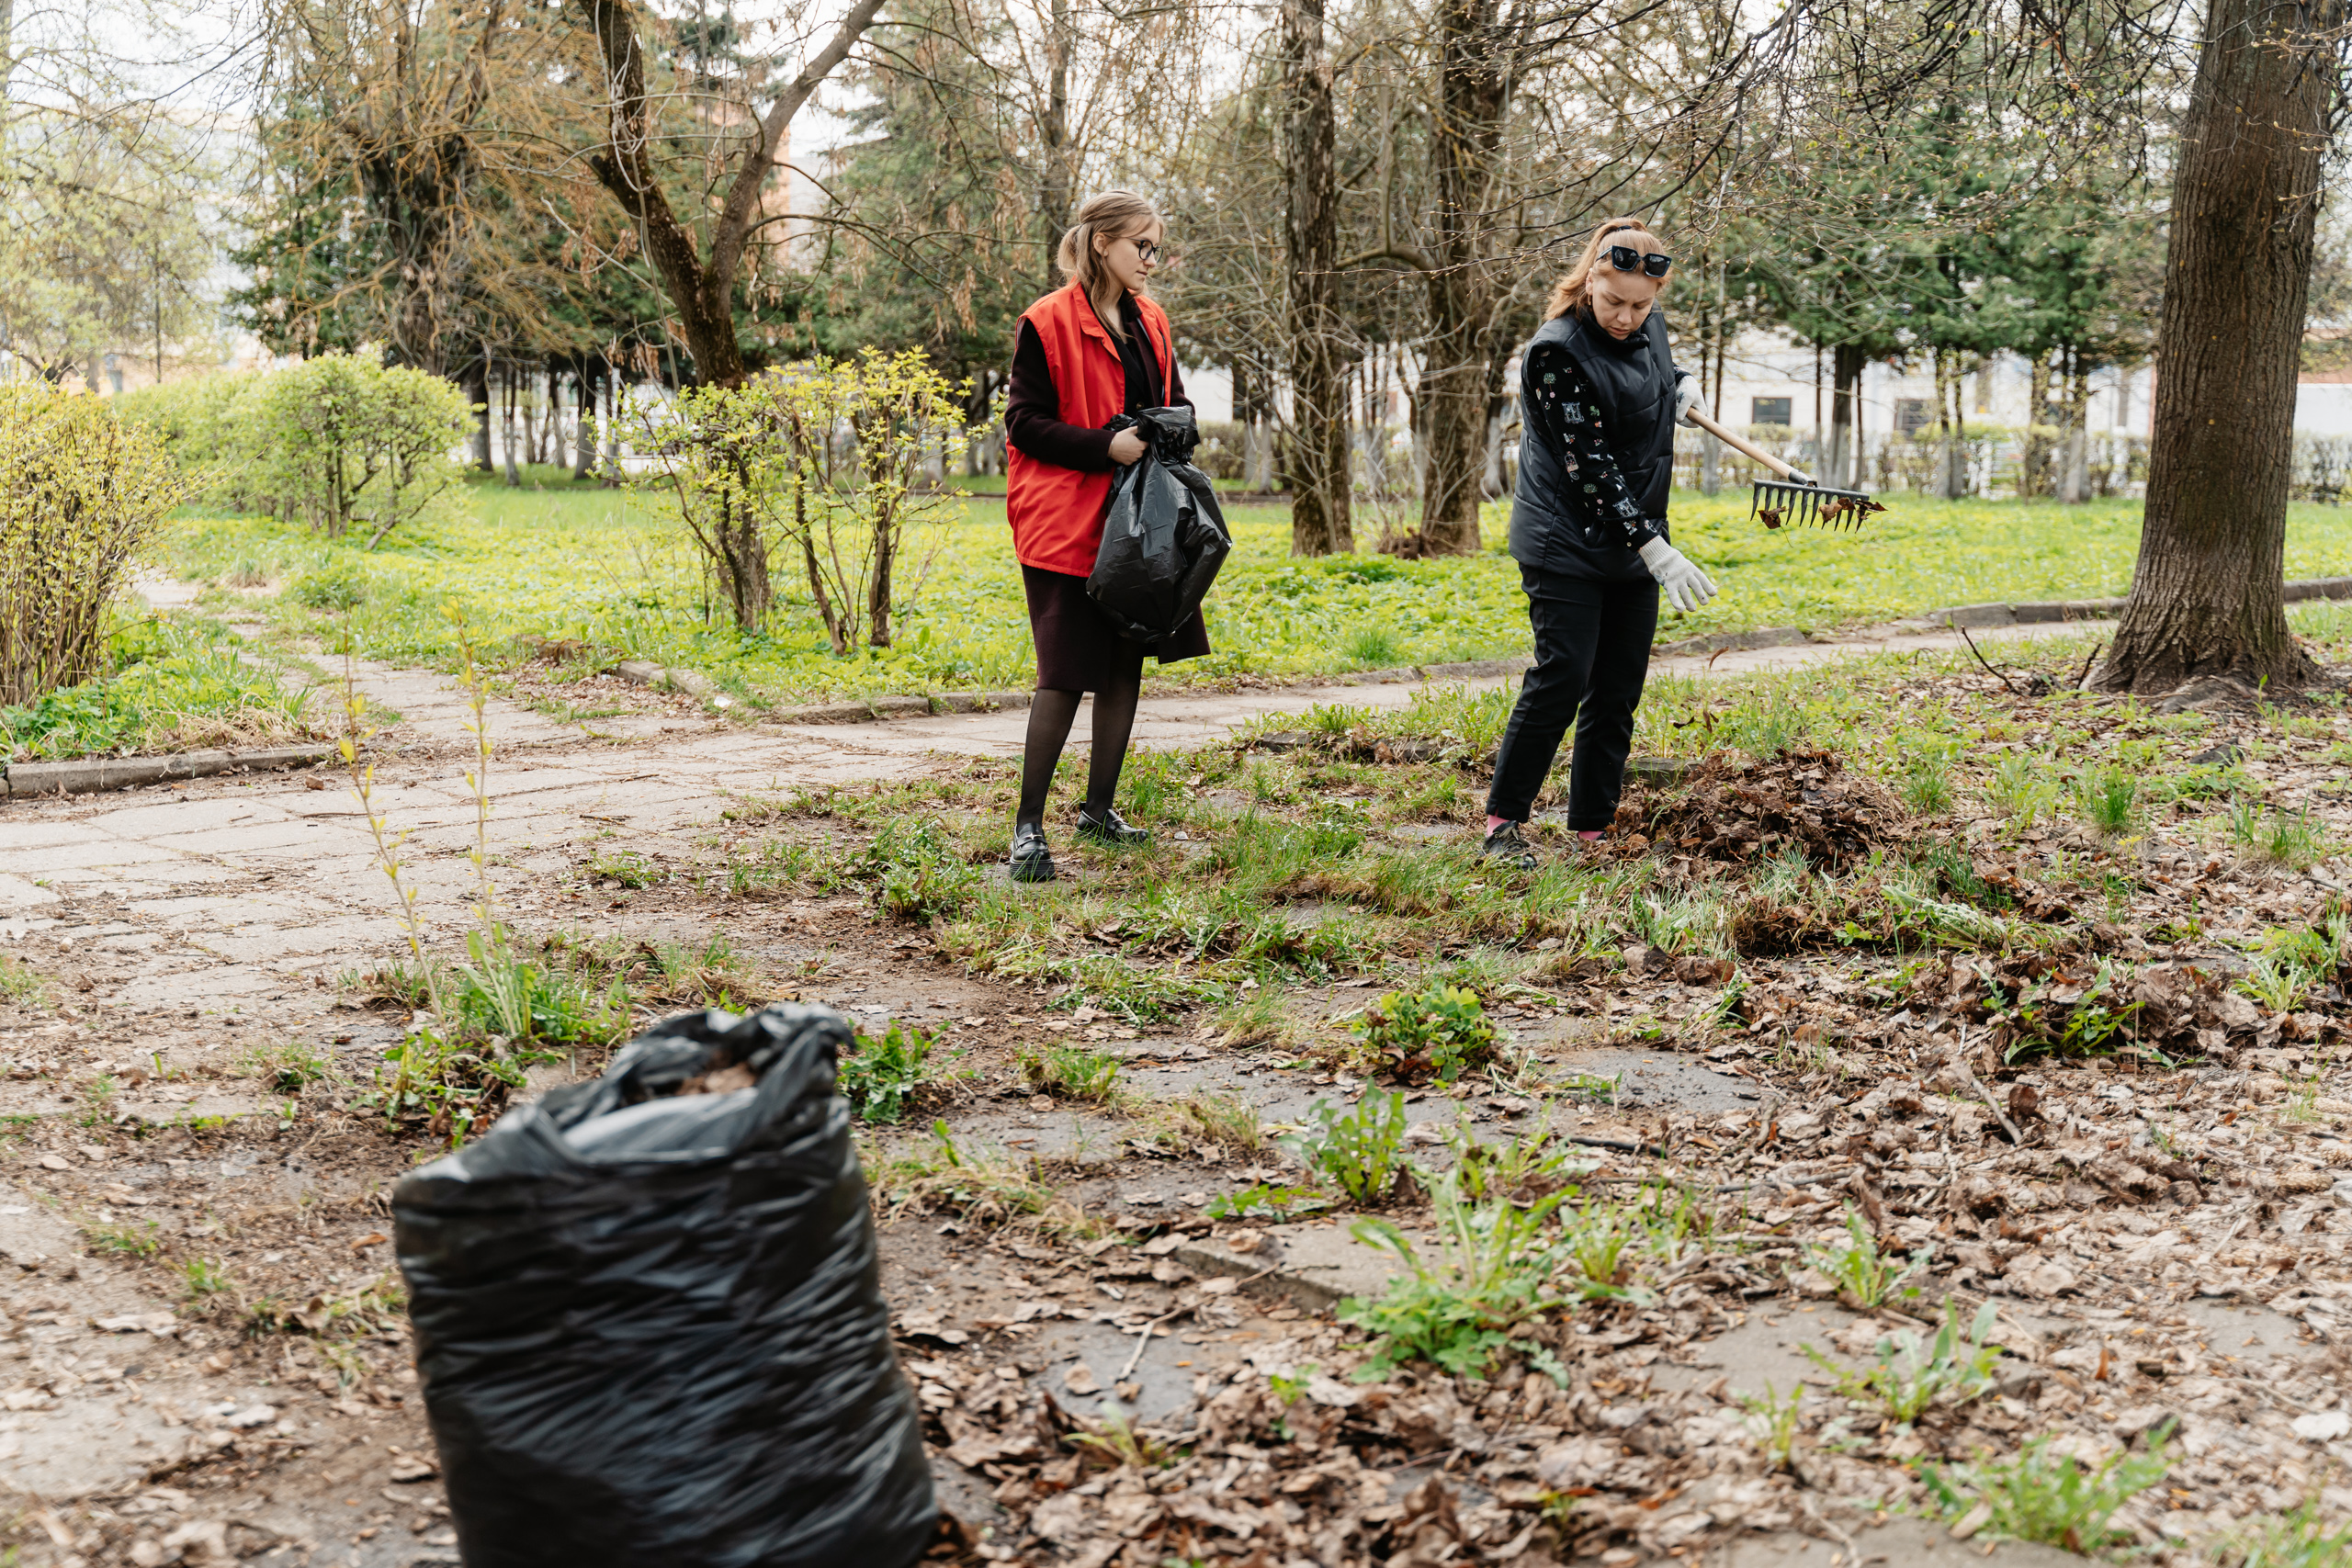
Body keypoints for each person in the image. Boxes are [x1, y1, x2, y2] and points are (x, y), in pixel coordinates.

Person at [1480, 220, 1720, 867]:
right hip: (1565, 539)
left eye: (1641, 306)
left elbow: (1652, 365)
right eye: (1614, 301)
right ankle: (1504, 822)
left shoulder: (1647, 324)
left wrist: (1682, 381)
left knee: (1617, 689)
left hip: (1632, 539)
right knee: (1563, 677)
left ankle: (1592, 827)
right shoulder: (1556, 353)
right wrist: (1655, 548)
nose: (1625, 317)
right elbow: (1589, 466)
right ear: (1591, 279)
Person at [1001, 189, 1210, 884]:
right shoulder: (1047, 321)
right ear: (1102, 242)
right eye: (1141, 246)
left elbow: (1176, 402)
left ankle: (1098, 811)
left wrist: (1173, 425)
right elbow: (1024, 423)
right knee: (1065, 674)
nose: (1151, 260)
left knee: (1124, 664)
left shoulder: (1152, 320)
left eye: (1156, 249)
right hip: (1065, 519)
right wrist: (1104, 446)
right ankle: (1028, 829)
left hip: (1140, 520)